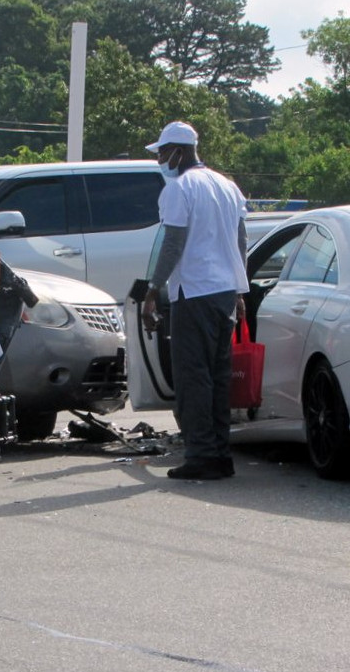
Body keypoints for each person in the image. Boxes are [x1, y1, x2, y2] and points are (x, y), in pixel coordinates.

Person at [141, 121, 249, 481]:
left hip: (194, 293)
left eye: (161, 152)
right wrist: (239, 289)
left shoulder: (179, 188)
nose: (159, 159)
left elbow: (173, 243)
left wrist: (153, 290)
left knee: (193, 378)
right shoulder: (227, 185)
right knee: (218, 379)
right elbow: (240, 241)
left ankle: (202, 455)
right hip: (223, 294)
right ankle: (220, 454)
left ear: (179, 151)